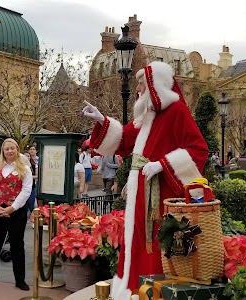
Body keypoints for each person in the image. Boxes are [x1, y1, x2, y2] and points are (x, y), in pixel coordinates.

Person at [82, 61, 209, 298]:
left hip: (162, 196)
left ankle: (152, 293)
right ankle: (132, 287)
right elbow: (124, 141)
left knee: (155, 242)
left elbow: (199, 150)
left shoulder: (177, 112)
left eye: (141, 84)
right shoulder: (146, 117)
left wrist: (163, 164)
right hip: (140, 194)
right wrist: (102, 120)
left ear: (154, 86)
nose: (138, 89)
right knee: (138, 240)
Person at [0, 138, 32, 290]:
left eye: (12, 148)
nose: (9, 151)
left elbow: (26, 190)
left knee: (17, 246)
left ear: (17, 150)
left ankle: (20, 280)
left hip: (16, 212)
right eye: (6, 149)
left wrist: (13, 207)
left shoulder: (25, 169)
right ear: (3, 151)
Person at [23, 150, 38, 214]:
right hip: (22, 188)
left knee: (31, 203)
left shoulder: (34, 165)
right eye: (25, 156)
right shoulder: (20, 166)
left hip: (32, 187)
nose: (27, 158)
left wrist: (28, 176)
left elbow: (36, 176)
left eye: (28, 156)